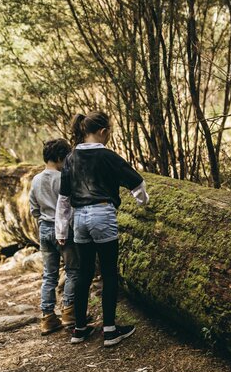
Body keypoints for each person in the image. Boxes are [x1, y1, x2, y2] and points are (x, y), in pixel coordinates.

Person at [55, 111, 149, 347]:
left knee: (84, 274)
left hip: (79, 219)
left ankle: (79, 329)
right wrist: (143, 201)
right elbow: (136, 182)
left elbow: (63, 199)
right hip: (102, 214)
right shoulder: (107, 155)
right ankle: (109, 330)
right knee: (108, 273)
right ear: (103, 132)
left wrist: (61, 231)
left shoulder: (71, 157)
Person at [30, 138, 81, 334]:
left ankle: (47, 317)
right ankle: (69, 312)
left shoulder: (35, 180)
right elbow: (71, 205)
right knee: (72, 270)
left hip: (44, 229)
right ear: (60, 157)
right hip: (64, 229)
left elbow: (34, 208)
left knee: (49, 275)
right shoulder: (63, 178)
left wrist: (43, 218)